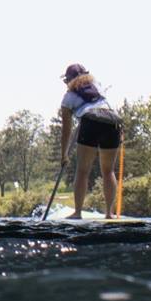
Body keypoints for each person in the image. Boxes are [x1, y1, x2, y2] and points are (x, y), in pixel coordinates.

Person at [57, 62, 122, 216]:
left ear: (68, 80)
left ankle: (78, 213)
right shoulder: (97, 86)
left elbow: (66, 129)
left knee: (82, 171)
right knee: (108, 171)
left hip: (91, 123)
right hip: (112, 123)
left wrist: (64, 155)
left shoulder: (68, 97)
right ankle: (109, 214)